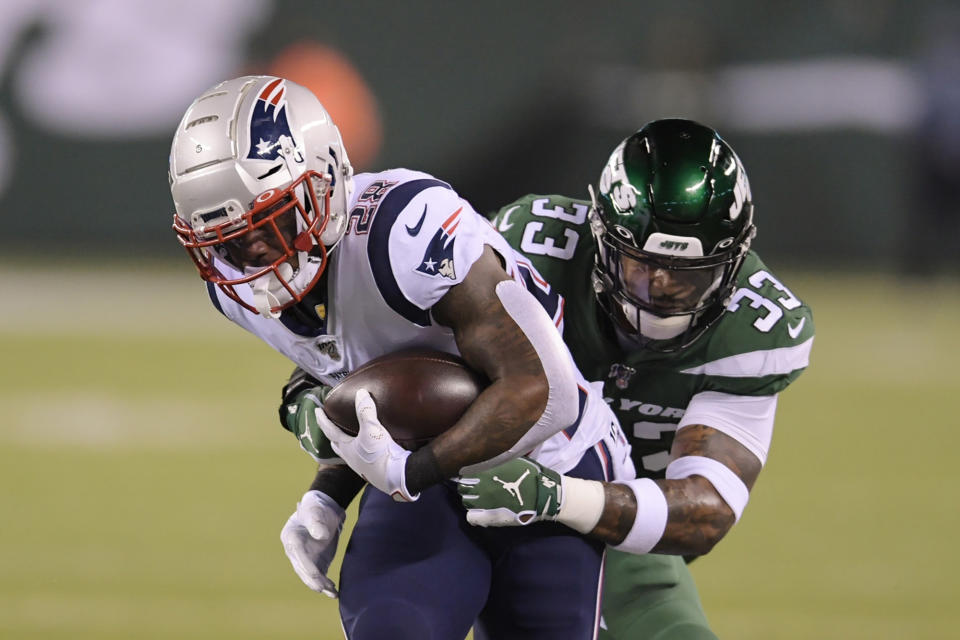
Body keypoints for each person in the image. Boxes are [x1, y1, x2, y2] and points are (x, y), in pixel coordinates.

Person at [168, 75, 632, 640]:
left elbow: (545, 392)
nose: (256, 255)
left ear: (326, 178)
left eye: (273, 222)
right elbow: (376, 387)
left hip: (548, 467)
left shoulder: (404, 231)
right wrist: (328, 494)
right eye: (229, 242)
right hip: (422, 486)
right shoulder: (237, 291)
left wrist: (407, 471)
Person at [454, 119, 815, 638]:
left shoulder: (751, 332)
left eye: (688, 272)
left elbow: (706, 510)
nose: (660, 288)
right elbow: (412, 355)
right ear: (601, 239)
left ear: (733, 263)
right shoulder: (529, 251)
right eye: (642, 265)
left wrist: (558, 497)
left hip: (618, 528)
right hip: (474, 498)